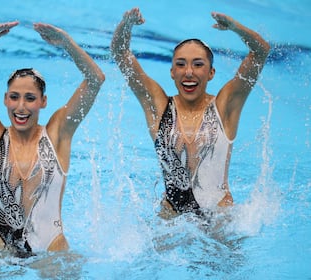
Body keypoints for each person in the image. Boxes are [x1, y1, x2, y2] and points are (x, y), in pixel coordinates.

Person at [0, 21, 105, 256]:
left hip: (51, 248)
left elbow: (95, 80)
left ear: (43, 102)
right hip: (1, 246)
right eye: (14, 97)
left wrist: (66, 42)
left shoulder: (57, 132)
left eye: (30, 98)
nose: (21, 107)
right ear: (6, 99)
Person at [111, 8, 270, 216]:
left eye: (198, 64)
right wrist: (126, 23)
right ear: (172, 72)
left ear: (211, 73)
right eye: (181, 64)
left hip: (219, 219)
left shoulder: (224, 106)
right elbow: (120, 53)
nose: (188, 72)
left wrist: (236, 28)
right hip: (172, 218)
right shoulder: (159, 107)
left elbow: (261, 52)